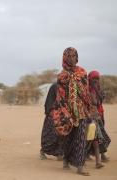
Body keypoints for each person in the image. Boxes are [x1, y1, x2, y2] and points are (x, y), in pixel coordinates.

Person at [50, 47, 99, 176]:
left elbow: (86, 93)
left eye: (74, 56)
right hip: (67, 111)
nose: (72, 59)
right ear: (65, 58)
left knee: (81, 138)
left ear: (77, 57)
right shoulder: (61, 76)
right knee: (68, 138)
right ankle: (66, 159)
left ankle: (80, 166)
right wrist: (64, 112)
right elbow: (60, 96)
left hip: (82, 110)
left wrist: (90, 108)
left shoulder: (82, 72)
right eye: (69, 56)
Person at [86, 70, 111, 164]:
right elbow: (94, 102)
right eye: (94, 79)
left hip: (99, 115)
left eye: (97, 78)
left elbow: (100, 100)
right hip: (90, 117)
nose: (96, 81)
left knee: (99, 136)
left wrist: (96, 89)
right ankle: (99, 157)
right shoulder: (87, 89)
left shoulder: (99, 88)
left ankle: (100, 156)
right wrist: (93, 90)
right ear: (90, 79)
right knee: (93, 136)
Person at [39, 83, 63, 160]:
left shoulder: (64, 87)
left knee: (61, 136)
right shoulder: (56, 87)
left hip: (61, 116)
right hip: (52, 115)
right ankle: (43, 151)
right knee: (50, 135)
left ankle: (59, 154)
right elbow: (51, 102)